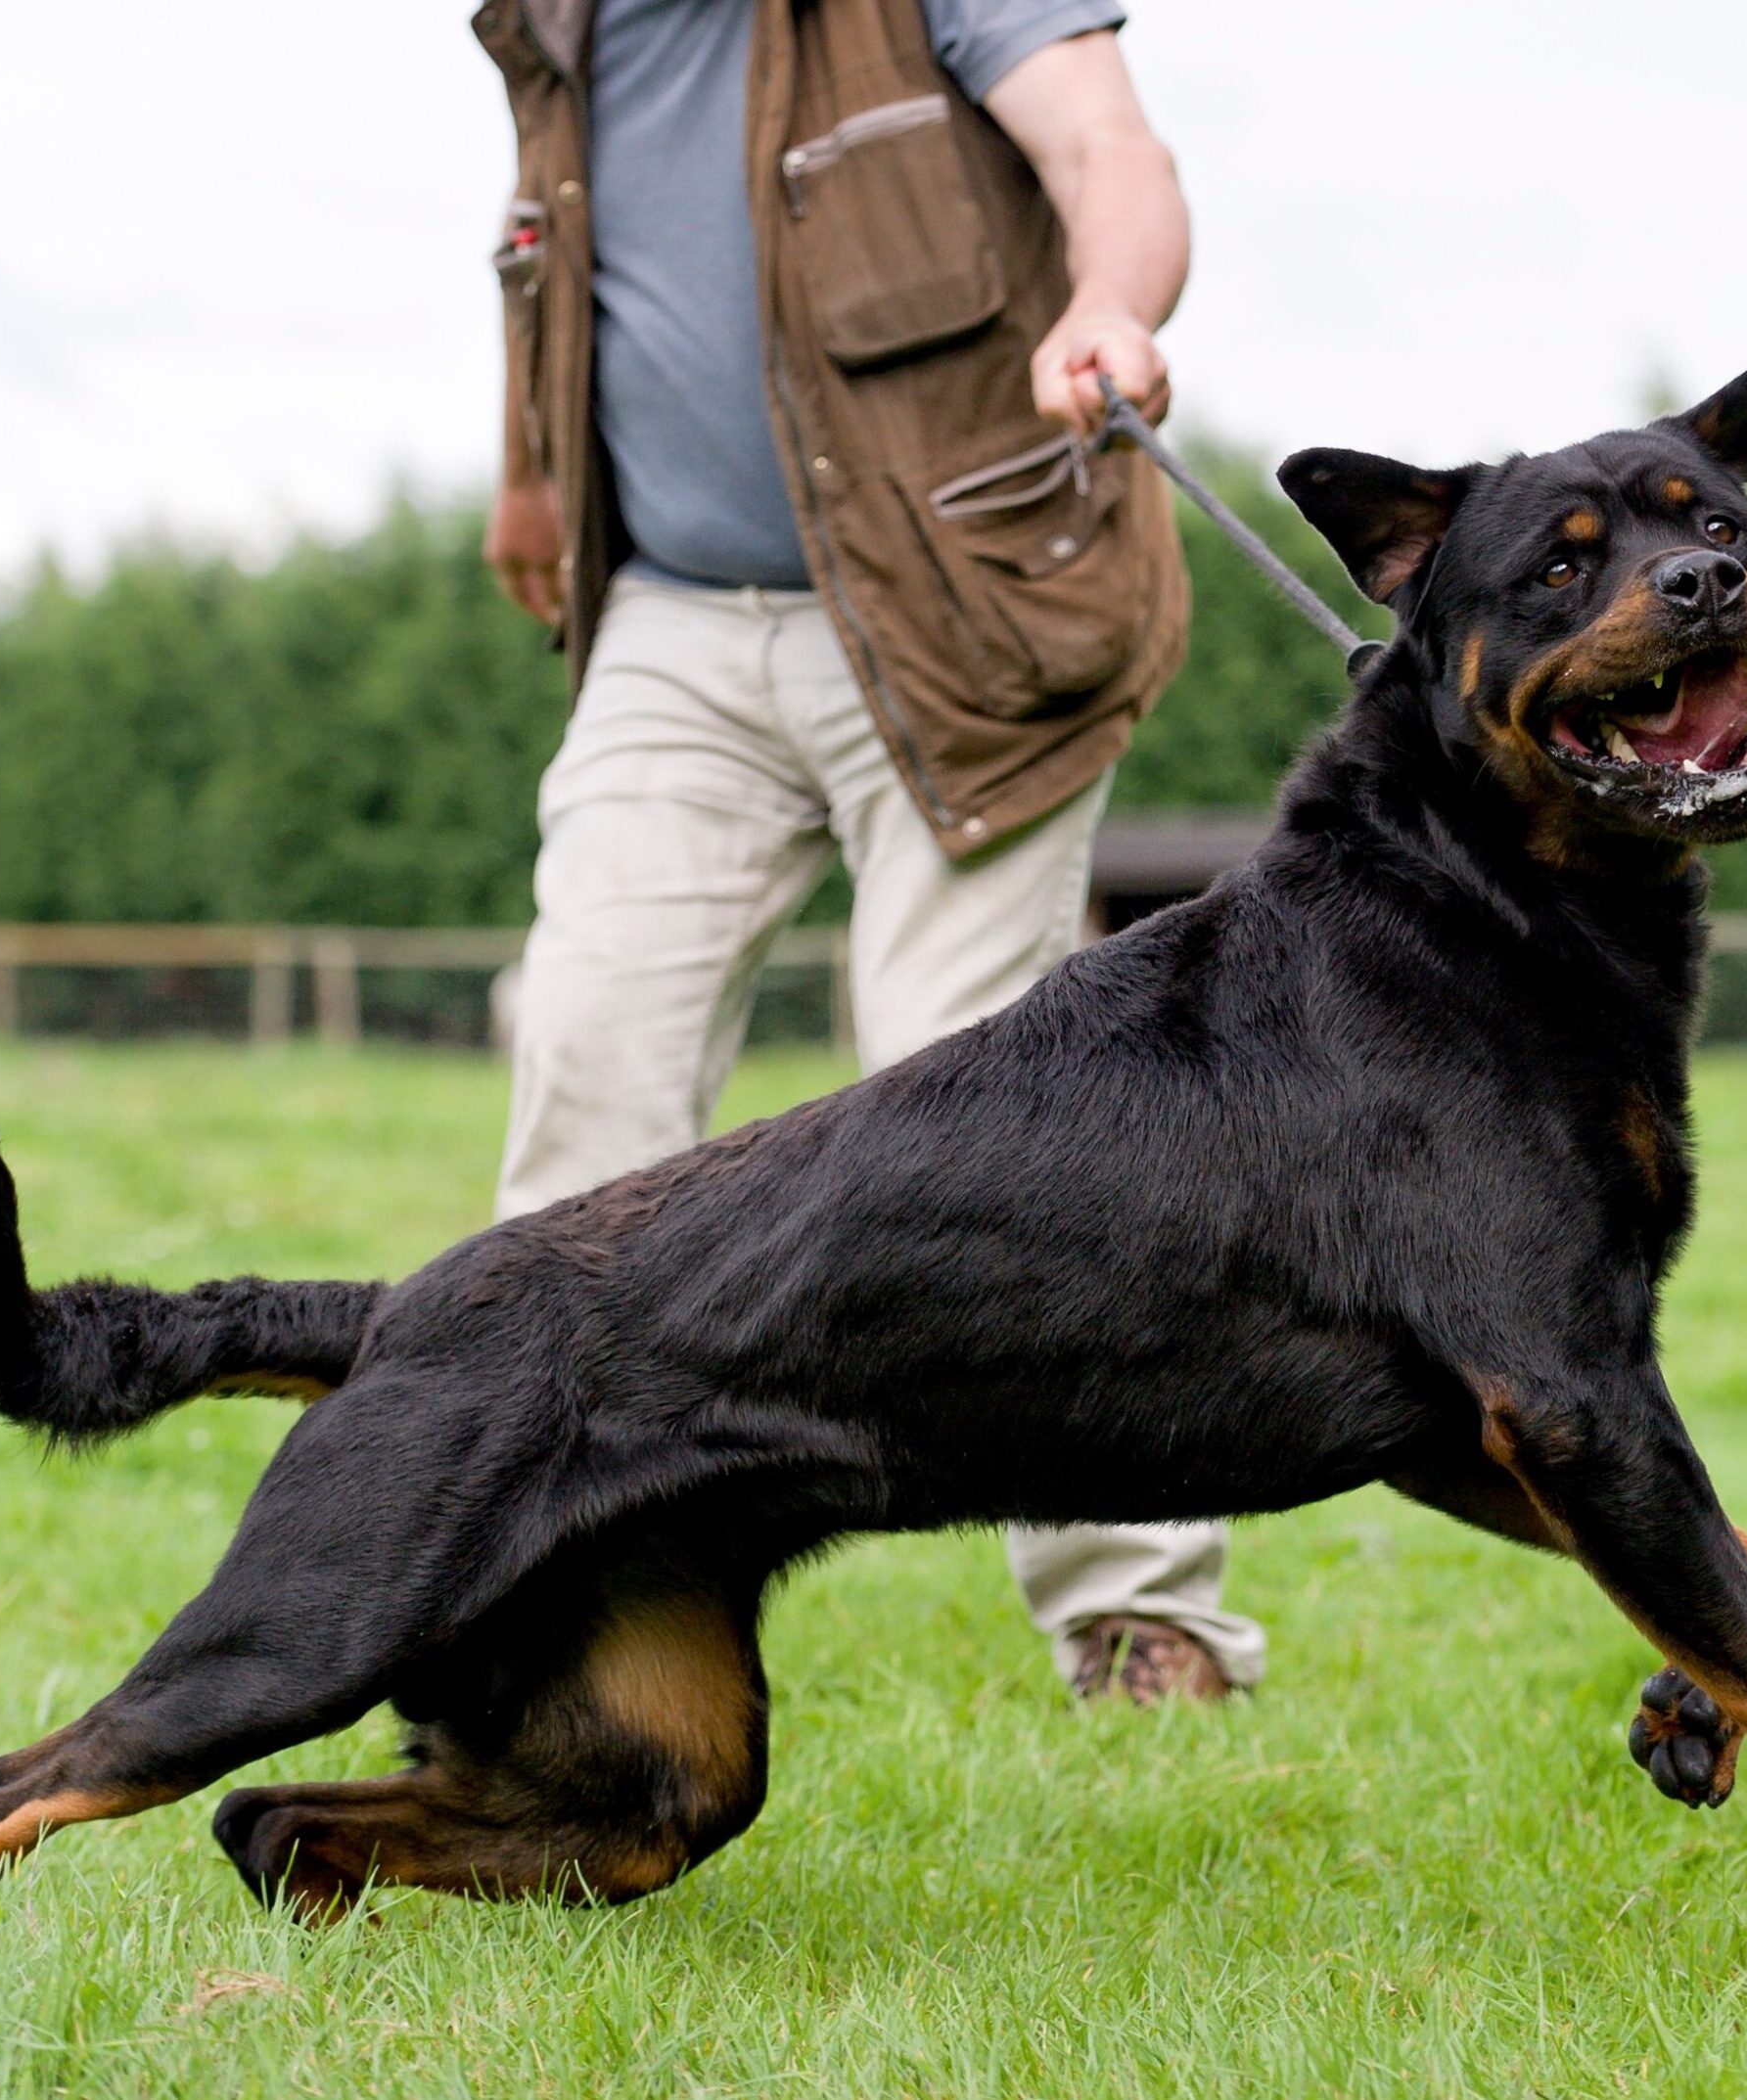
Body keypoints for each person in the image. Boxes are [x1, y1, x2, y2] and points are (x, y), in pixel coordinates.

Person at [474, 0, 1265, 1703]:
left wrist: (1113, 300)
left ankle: (1139, 1612)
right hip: (673, 624)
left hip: (963, 610)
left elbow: (1107, 150)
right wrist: (535, 475)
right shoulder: (549, 21)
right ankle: (546, 1600)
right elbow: (566, 266)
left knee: (996, 1123)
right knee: (584, 1062)